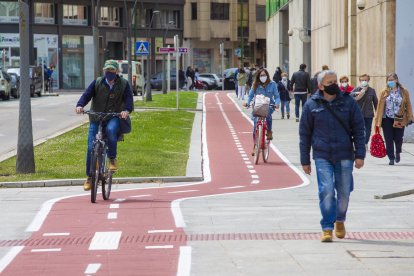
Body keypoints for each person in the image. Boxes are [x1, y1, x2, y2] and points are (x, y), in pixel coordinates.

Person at [299, 70, 365, 242]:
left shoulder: (348, 102)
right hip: (322, 155)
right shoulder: (311, 104)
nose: (335, 84)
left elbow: (359, 129)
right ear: (320, 86)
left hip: (344, 154)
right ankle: (327, 226)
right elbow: (305, 134)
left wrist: (360, 154)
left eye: (335, 81)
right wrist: (305, 160)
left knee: (344, 192)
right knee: (326, 191)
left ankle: (340, 220)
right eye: (330, 82)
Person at [76, 59, 133, 191]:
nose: (109, 73)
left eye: (112, 71)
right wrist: (80, 105)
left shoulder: (123, 84)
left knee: (111, 130)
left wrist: (126, 111)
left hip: (113, 116)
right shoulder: (98, 82)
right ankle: (90, 177)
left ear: (116, 71)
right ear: (104, 71)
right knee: (91, 148)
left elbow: (129, 99)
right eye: (107, 71)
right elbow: (87, 95)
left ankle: (112, 158)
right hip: (96, 117)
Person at [374, 73, 414, 165]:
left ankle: (398, 152)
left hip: (399, 118)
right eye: (389, 80)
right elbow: (379, 106)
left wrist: (410, 117)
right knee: (388, 138)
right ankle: (391, 157)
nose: (390, 82)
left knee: (398, 138)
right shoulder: (384, 92)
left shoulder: (404, 91)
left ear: (396, 80)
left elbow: (408, 105)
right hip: (386, 118)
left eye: (392, 80)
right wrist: (377, 120)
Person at [245, 69, 280, 151]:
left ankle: (269, 131)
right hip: (258, 106)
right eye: (261, 75)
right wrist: (248, 102)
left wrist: (277, 103)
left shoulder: (273, 84)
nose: (263, 77)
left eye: (264, 75)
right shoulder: (255, 84)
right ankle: (255, 144)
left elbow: (277, 97)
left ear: (267, 75)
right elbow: (250, 96)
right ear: (258, 76)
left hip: (269, 106)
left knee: (268, 116)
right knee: (255, 126)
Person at [350, 74, 378, 149]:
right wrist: (358, 93)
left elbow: (376, 102)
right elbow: (349, 96)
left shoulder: (372, 90)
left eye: (365, 80)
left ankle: (365, 143)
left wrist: (377, 114)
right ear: (360, 81)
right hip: (358, 114)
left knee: (368, 130)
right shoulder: (356, 89)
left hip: (369, 114)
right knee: (357, 130)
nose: (364, 81)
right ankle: (358, 143)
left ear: (368, 81)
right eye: (362, 80)